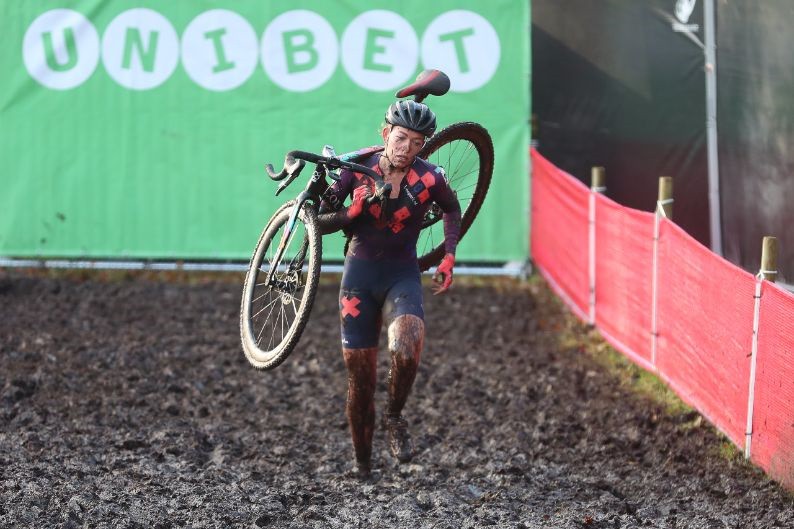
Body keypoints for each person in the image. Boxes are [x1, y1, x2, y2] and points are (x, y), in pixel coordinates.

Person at [317, 99, 461, 477]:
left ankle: (395, 417)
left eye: (417, 143)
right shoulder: (355, 170)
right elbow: (318, 221)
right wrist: (352, 212)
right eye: (400, 139)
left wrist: (448, 254)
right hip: (358, 280)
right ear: (385, 134)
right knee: (361, 382)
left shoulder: (430, 178)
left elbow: (451, 208)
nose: (407, 148)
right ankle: (362, 462)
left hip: (402, 274)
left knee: (407, 343)